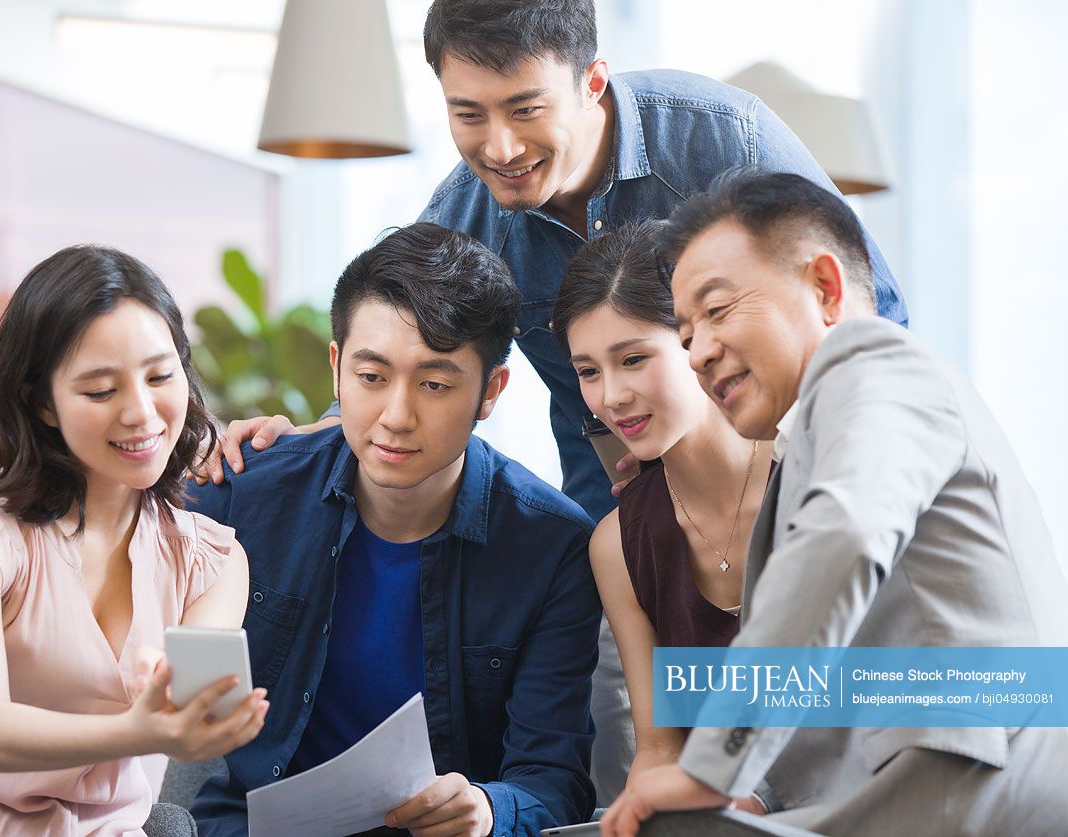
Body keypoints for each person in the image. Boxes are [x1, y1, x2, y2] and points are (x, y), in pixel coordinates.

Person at [211, 0, 911, 802]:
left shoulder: (723, 142)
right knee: (628, 740)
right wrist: (308, 438)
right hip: (623, 512)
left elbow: (872, 317)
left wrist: (811, 466)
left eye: (524, 109)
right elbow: (404, 334)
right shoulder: (470, 213)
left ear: (592, 82)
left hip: (787, 479)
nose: (499, 147)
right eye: (468, 114)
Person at [602, 170, 1068, 836]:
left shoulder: (872, 359)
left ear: (824, 287)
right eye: (684, 336)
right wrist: (758, 793)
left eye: (718, 310)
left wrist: (712, 768)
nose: (699, 352)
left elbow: (844, 536)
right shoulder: (811, 443)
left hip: (979, 792)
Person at [187, 223, 601, 837]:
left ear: (490, 391)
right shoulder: (245, 493)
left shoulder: (551, 546)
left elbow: (553, 777)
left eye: (435, 385)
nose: (397, 416)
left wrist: (489, 810)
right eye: (372, 377)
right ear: (337, 368)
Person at [0, 246, 268, 836]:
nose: (142, 412)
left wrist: (199, 718)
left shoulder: (212, 562)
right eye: (101, 391)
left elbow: (192, 710)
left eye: (160, 376)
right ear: (42, 404)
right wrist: (134, 730)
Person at [550, 220, 772, 815]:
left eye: (633, 359)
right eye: (588, 371)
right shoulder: (618, 544)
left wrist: (748, 796)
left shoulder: (813, 477)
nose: (612, 396)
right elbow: (657, 748)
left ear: (699, 340)